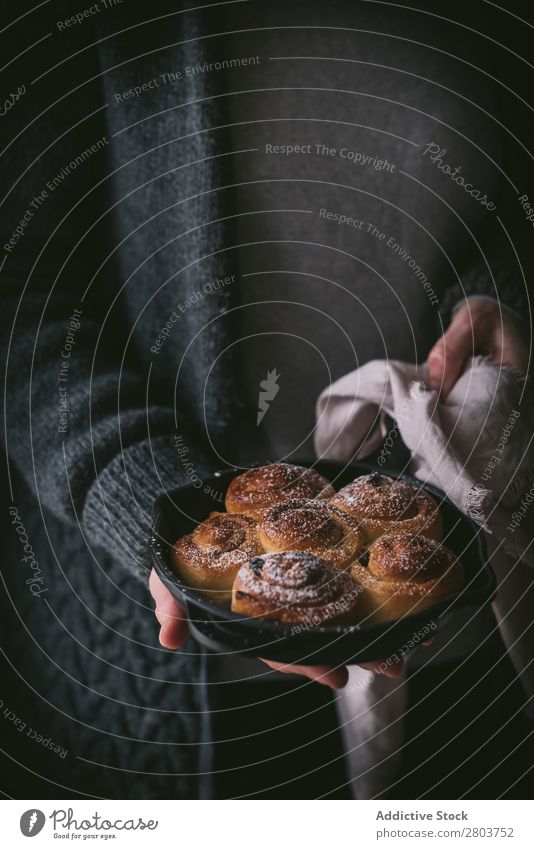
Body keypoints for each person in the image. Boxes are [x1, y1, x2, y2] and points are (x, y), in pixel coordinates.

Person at [2, 0, 531, 798]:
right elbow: (22, 299)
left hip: (467, 616)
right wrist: (153, 504)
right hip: (175, 669)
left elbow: (503, 195)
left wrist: (499, 297)